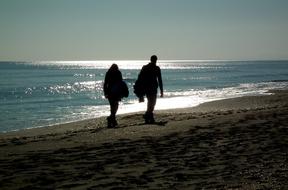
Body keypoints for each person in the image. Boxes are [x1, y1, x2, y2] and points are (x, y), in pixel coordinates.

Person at [135, 55, 163, 124]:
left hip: (147, 88)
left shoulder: (146, 67)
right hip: (151, 88)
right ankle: (148, 115)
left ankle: (148, 115)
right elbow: (160, 80)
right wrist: (161, 91)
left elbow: (139, 78)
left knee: (150, 102)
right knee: (152, 102)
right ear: (156, 60)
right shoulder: (156, 68)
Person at [103, 64, 128, 128]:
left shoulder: (115, 72)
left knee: (114, 105)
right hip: (112, 92)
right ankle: (112, 119)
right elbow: (106, 83)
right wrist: (105, 92)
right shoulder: (110, 73)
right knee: (114, 105)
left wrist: (105, 92)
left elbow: (120, 82)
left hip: (114, 92)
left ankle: (112, 118)